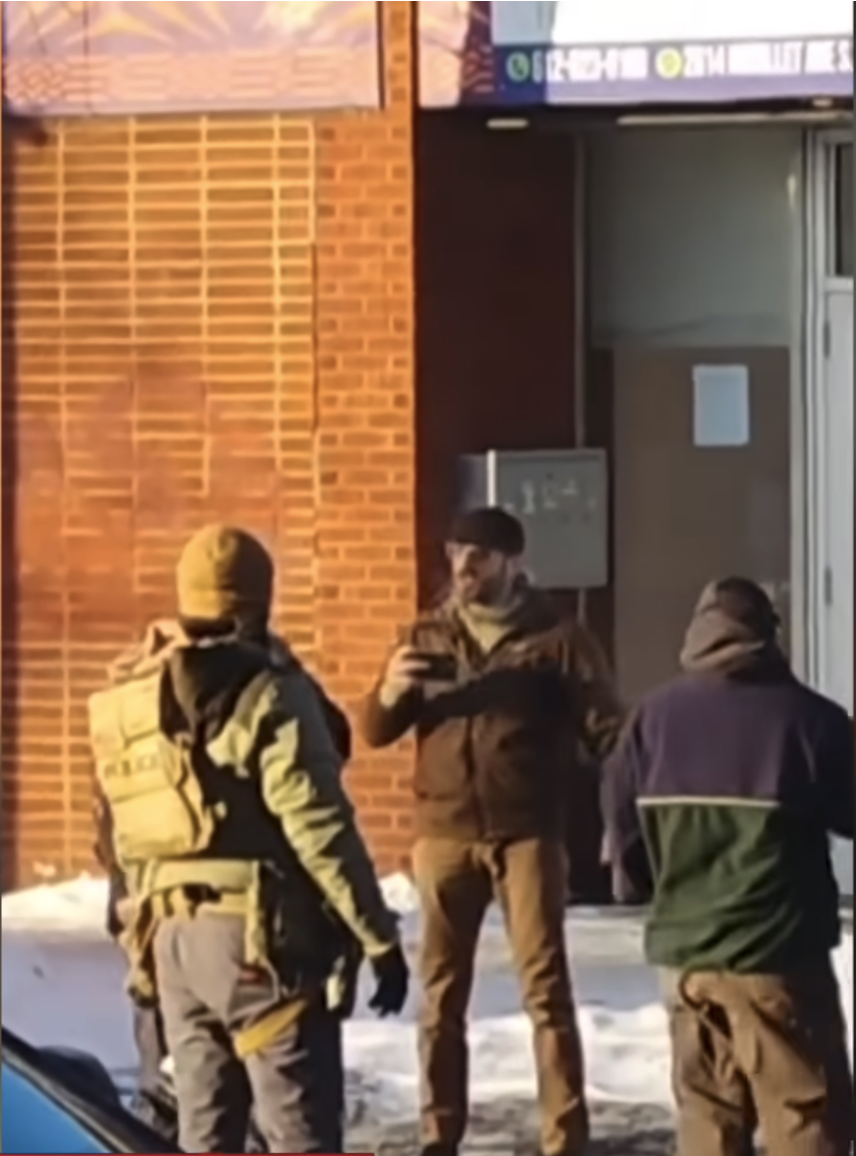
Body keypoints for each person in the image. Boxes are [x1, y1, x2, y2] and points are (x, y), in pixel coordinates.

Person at [89, 524, 408, 1154]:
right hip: (261, 945)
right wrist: (377, 936)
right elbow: (319, 825)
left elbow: (121, 838)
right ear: (260, 601)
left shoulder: (134, 697)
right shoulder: (269, 691)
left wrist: (137, 947)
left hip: (172, 942)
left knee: (205, 1137)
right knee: (300, 1136)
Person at [359, 507, 624, 1156]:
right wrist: (390, 691)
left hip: (527, 833)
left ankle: (565, 1138)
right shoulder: (427, 635)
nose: (463, 568)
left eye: (478, 556)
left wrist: (617, 807)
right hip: (444, 833)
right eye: (456, 553)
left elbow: (609, 732)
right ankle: (438, 1135)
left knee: (545, 989)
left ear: (512, 562)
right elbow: (375, 731)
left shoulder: (557, 639)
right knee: (441, 995)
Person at [601, 577, 854, 1156]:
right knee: (805, 1117)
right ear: (768, 635)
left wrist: (644, 886)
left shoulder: (650, 719)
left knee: (708, 1120)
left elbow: (622, 830)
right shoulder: (810, 720)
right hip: (777, 956)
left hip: (686, 959)